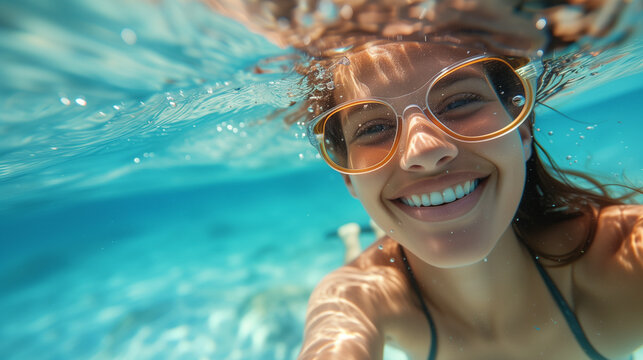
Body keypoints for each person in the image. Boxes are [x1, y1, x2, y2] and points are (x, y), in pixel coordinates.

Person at [206, 0, 642, 358]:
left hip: (420, 204)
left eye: (460, 102)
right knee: (365, 248)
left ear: (522, 131)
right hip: (414, 214)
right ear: (350, 181)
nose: (425, 152)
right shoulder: (357, 296)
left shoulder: (626, 256)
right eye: (373, 128)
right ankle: (354, 239)